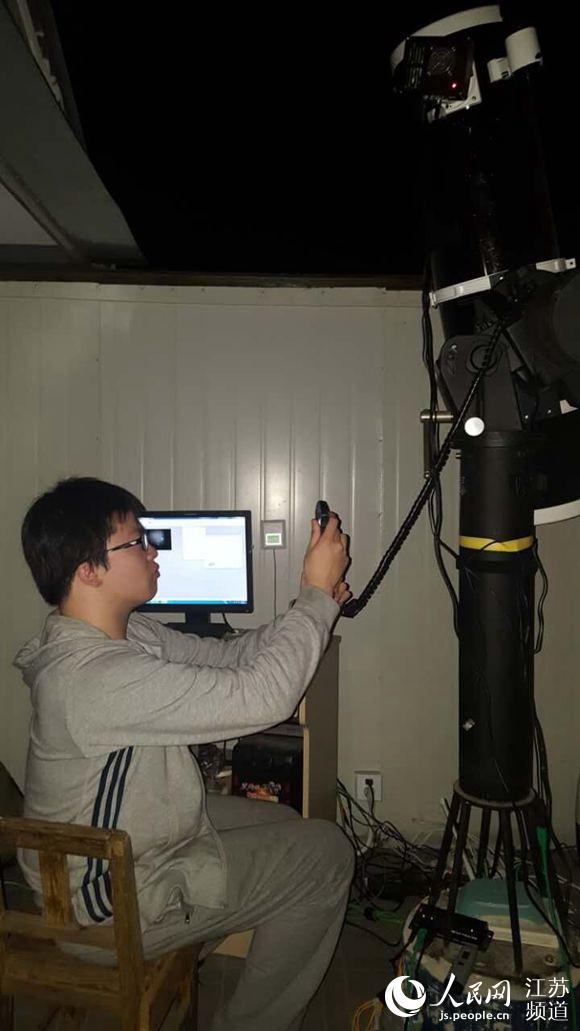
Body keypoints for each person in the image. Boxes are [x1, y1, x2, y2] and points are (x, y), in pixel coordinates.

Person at [15, 477, 354, 1031]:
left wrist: (309, 606)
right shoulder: (92, 678)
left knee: (286, 824)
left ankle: (208, 926)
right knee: (324, 855)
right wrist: (314, 600)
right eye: (137, 542)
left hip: (130, 844)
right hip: (104, 907)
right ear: (89, 570)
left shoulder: (126, 635)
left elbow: (229, 657)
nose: (154, 550)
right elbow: (264, 698)